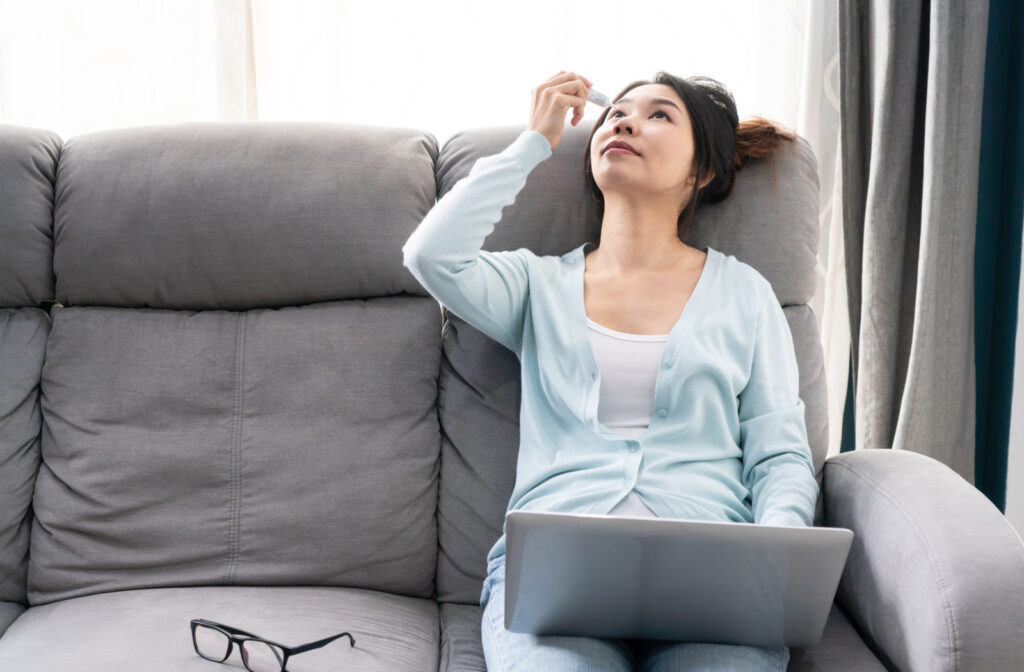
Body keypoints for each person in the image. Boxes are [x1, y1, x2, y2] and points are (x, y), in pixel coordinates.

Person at [402, 70, 818, 672]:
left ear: (700, 171)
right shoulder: (536, 286)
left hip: (714, 589)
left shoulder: (746, 295)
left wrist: (774, 557)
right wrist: (534, 143)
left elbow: (780, 457)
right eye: (616, 112)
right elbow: (430, 255)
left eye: (659, 115)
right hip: (555, 593)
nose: (623, 121)